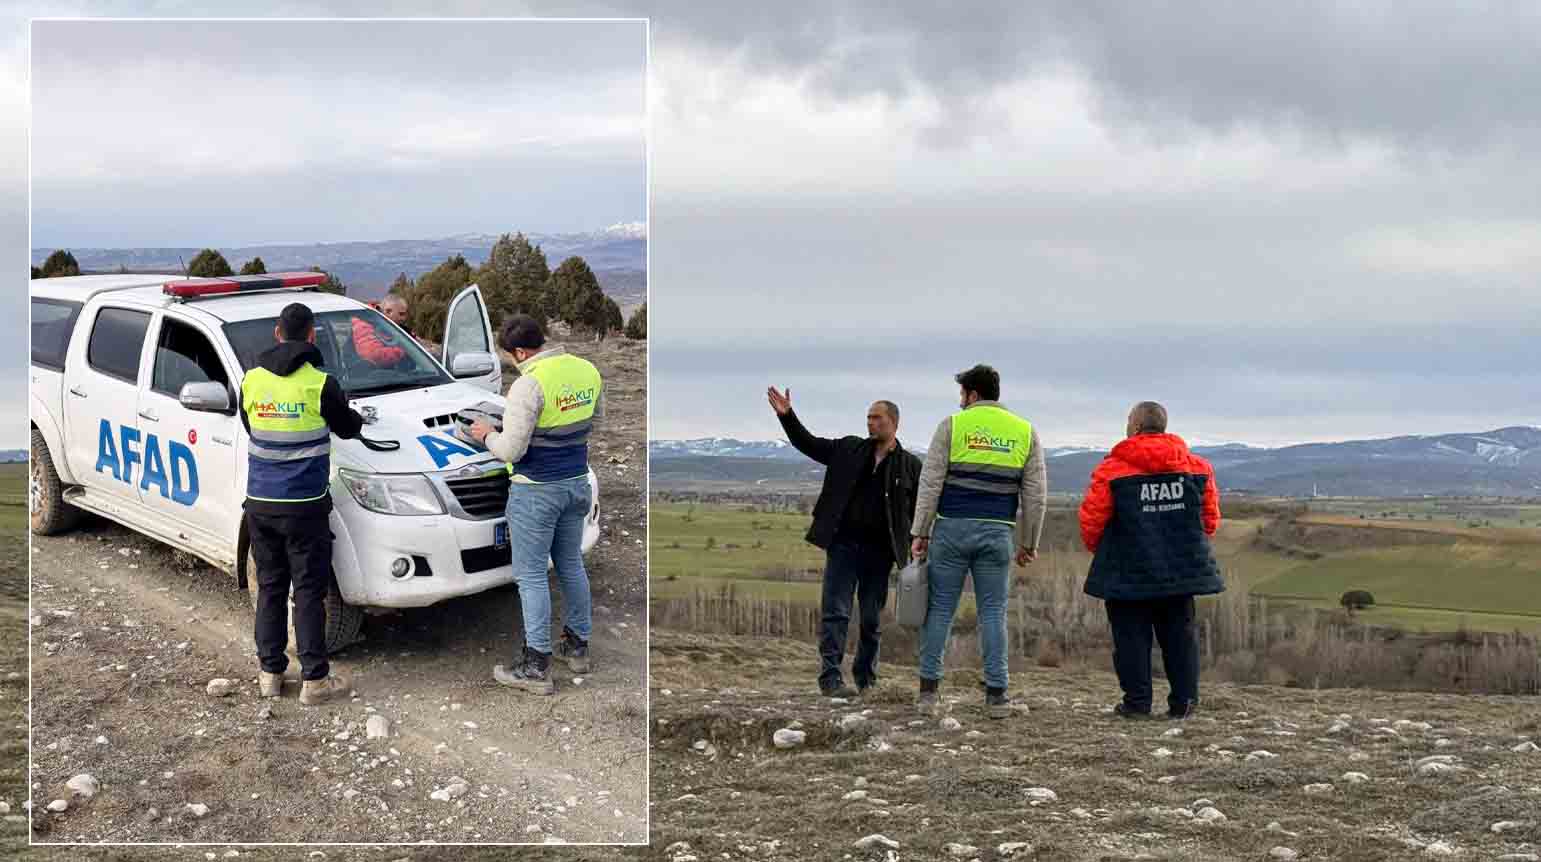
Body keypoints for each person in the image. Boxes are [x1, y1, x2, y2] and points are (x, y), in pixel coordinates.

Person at [468, 315, 601, 695]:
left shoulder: (529, 384)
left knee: (530, 576)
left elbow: (511, 450)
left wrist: (486, 434)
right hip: (576, 483)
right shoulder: (587, 369)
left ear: (520, 352)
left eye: (511, 357)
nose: (514, 363)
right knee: (570, 563)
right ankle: (577, 647)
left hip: (537, 491)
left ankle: (536, 666)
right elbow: (596, 421)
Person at [241, 302, 366, 706]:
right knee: (309, 591)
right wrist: (357, 417)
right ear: (312, 336)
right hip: (305, 506)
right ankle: (314, 681)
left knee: (271, 588)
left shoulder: (251, 380)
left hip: (260, 503)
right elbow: (346, 427)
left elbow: (250, 425)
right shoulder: (321, 383)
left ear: (277, 333)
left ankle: (270, 674)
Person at [910, 364, 1046, 719]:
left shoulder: (952, 426)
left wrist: (920, 532)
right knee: (993, 612)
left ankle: (928, 693)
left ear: (972, 394)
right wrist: (1029, 542)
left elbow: (930, 484)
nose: (960, 402)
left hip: (951, 530)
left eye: (962, 395)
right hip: (997, 532)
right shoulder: (1025, 431)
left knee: (940, 608)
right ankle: (996, 696)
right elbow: (1035, 496)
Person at [768, 387, 922, 698]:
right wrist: (787, 417)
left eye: (876, 418)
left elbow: (920, 509)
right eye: (868, 418)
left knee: (871, 620)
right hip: (843, 546)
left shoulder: (910, 466)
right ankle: (831, 679)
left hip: (880, 553)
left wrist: (918, 541)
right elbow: (808, 444)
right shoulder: (848, 449)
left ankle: (866, 680)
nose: (870, 423)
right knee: (835, 613)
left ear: (894, 422)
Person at [1078, 401, 1223, 720]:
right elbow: (1209, 519)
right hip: (1180, 571)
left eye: (1128, 421)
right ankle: (1184, 703)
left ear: (1136, 427)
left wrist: (1105, 551)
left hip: (1127, 570)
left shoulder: (1112, 469)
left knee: (1130, 638)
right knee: (1180, 637)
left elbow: (1092, 521)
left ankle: (1137, 704)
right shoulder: (1197, 468)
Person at [352, 294, 414, 366]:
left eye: (404, 314)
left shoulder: (391, 325)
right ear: (388, 311)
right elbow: (374, 354)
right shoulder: (364, 322)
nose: (404, 318)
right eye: (401, 314)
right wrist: (408, 350)